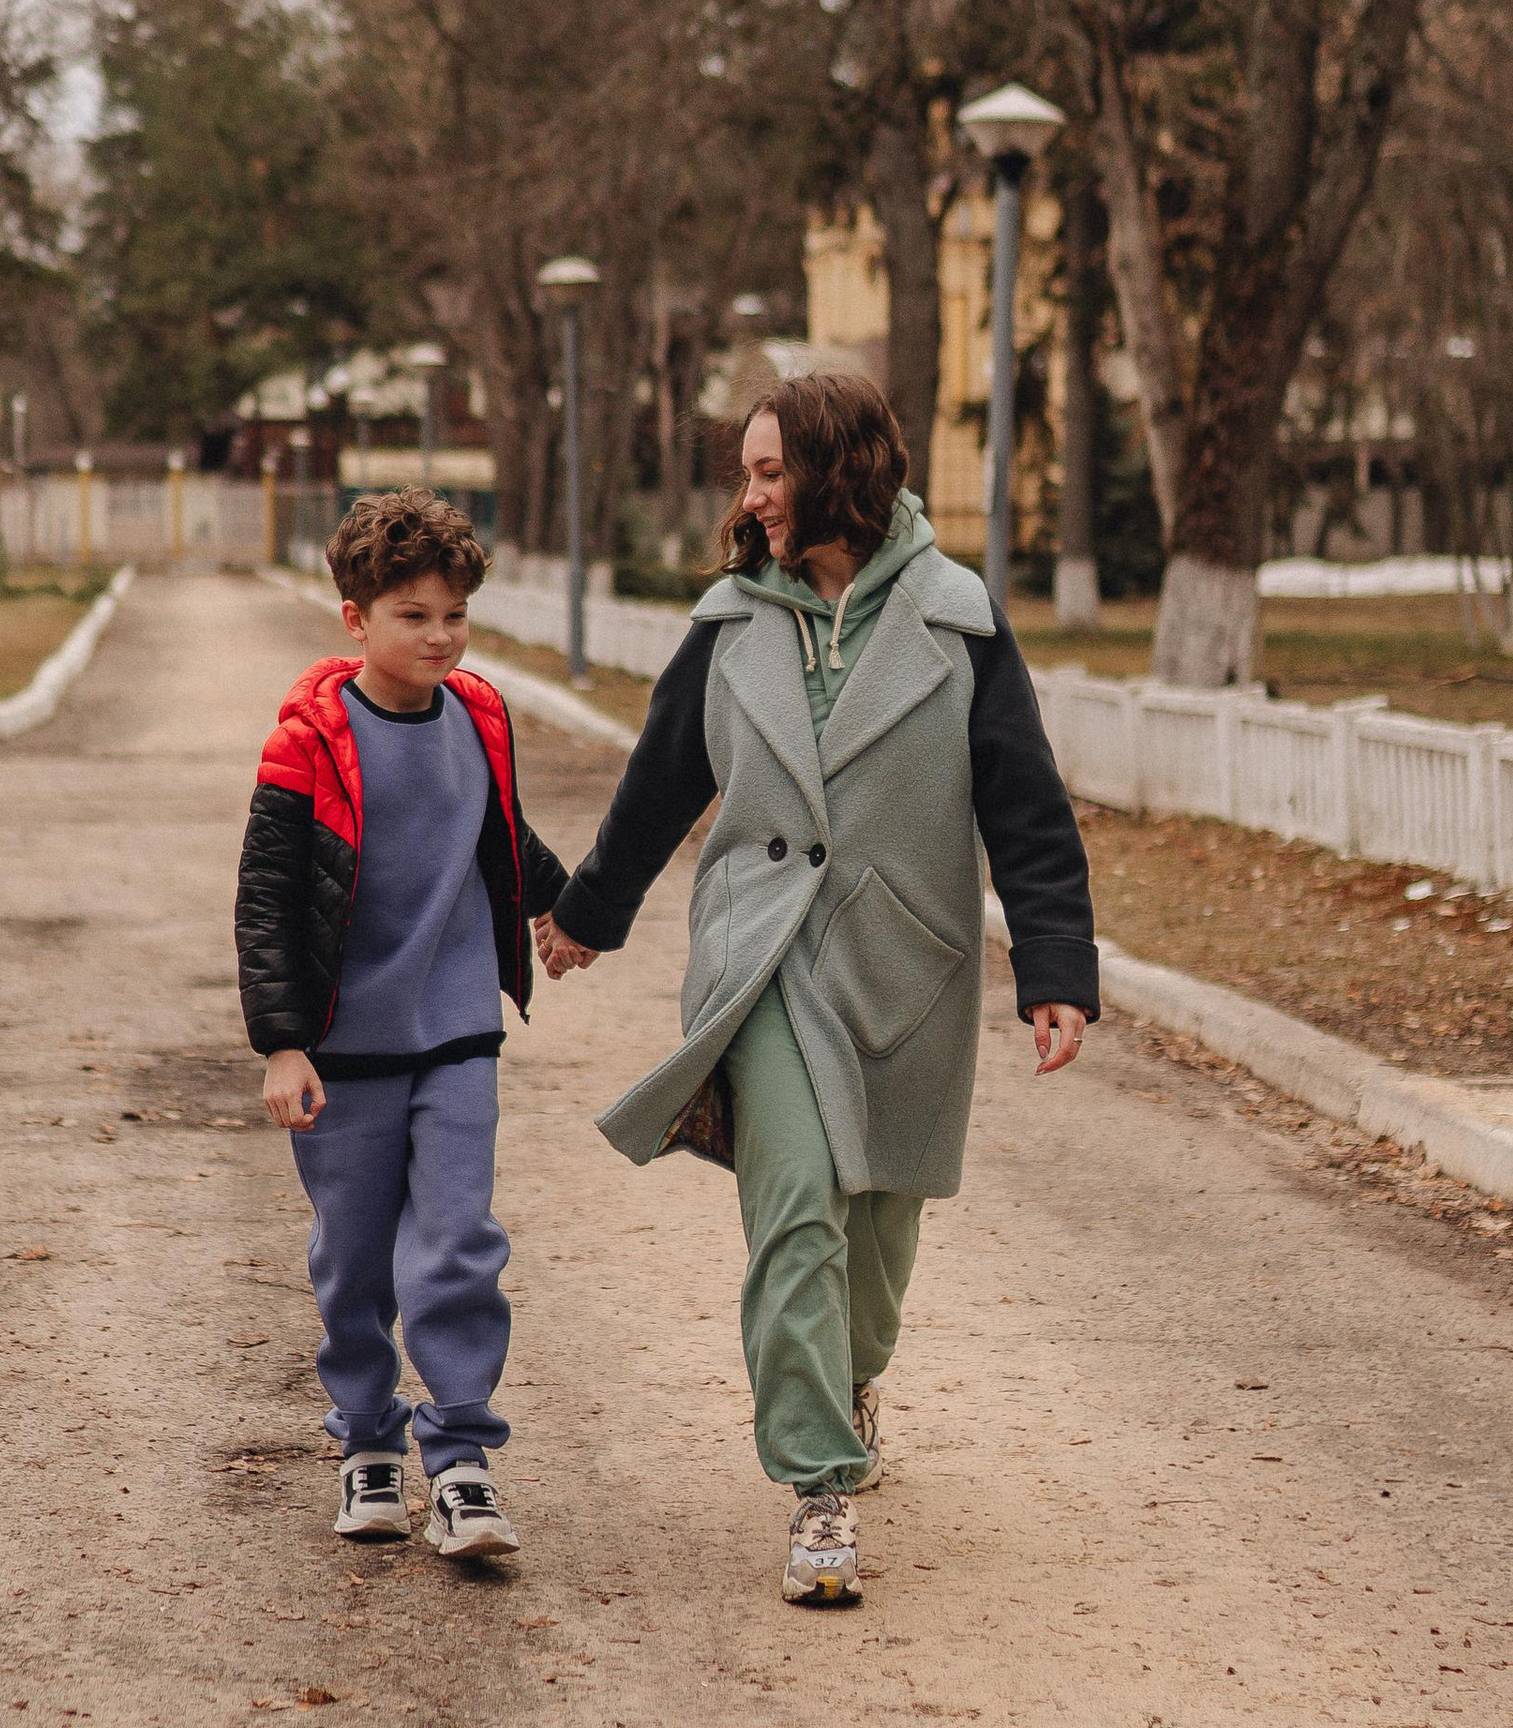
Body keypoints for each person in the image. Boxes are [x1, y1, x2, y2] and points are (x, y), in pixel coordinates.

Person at [536, 373, 1097, 1607]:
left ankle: (850, 1378)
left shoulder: (956, 621)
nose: (751, 496)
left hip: (905, 965)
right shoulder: (730, 619)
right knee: (792, 1197)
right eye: (748, 473)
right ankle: (818, 1485)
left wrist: (1055, 970)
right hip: (764, 958)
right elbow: (660, 781)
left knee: (879, 1230)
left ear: (838, 469)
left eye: (770, 471)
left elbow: (1024, 804)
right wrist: (587, 914)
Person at [235, 487, 569, 1562]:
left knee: (458, 1244)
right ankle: (368, 1440)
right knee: (355, 1263)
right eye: (413, 615)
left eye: (454, 615)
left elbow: (498, 833)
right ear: (356, 619)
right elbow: (269, 900)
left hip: (458, 1028)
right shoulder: (310, 741)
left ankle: (462, 1459)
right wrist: (282, 1041)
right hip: (345, 1045)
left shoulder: (477, 715)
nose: (439, 636)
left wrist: (560, 905)